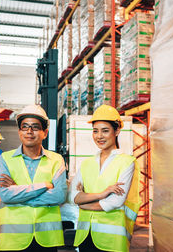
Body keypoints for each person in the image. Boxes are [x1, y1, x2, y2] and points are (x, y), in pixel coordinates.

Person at [0, 105, 67, 252]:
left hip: (47, 239)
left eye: (35, 127)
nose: (29, 131)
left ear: (45, 133)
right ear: (19, 131)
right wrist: (44, 186)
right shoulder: (5, 159)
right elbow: (6, 195)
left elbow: (59, 196)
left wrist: (19, 193)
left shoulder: (56, 160)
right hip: (14, 238)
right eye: (25, 127)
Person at [69, 104, 141, 252]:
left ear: (117, 131)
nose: (99, 136)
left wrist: (85, 203)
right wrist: (102, 194)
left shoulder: (127, 162)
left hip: (112, 239)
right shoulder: (87, 164)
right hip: (85, 236)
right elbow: (72, 196)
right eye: (95, 131)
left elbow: (116, 201)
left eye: (105, 131)